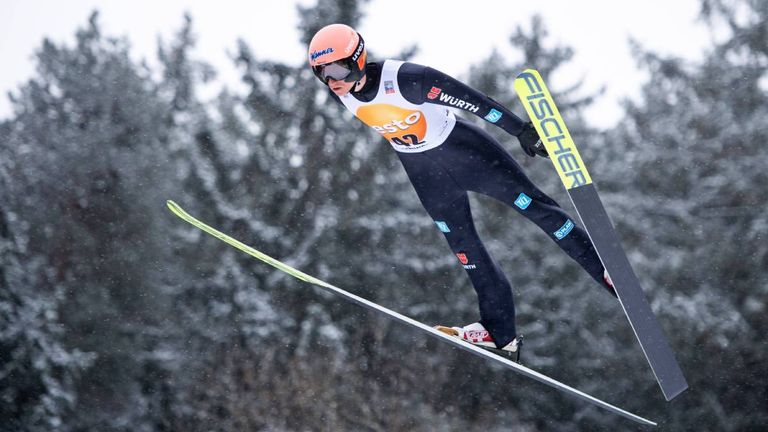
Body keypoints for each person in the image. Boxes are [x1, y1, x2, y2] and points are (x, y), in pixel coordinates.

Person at [308, 23, 615, 354]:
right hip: (426, 176)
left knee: (537, 210)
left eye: (337, 68)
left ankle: (605, 270)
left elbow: (475, 102)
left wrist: (520, 130)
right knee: (465, 248)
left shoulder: (407, 79)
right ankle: (500, 332)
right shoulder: (342, 93)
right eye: (321, 73)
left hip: (468, 155)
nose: (332, 80)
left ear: (358, 57)